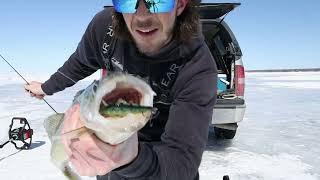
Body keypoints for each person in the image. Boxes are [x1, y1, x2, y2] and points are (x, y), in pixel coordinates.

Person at [24, 0, 218, 179]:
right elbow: (79, 63)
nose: (142, 16)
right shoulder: (104, 29)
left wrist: (131, 158)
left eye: (157, 1)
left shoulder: (198, 68)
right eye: (128, 0)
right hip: (110, 157)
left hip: (160, 163)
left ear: (181, 4)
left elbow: (181, 162)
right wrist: (45, 88)